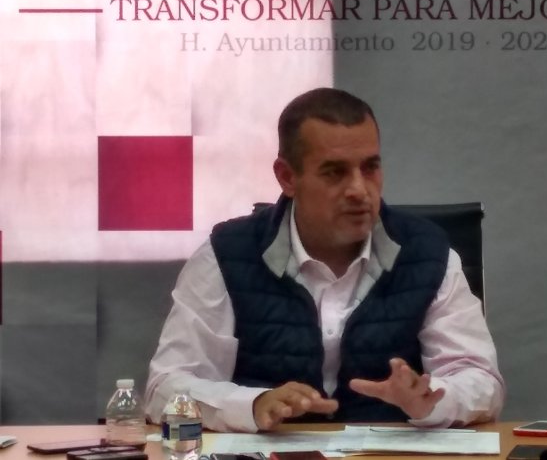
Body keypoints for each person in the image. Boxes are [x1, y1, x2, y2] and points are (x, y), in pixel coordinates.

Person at [144, 87, 505, 432]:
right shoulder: (227, 255)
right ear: (287, 177)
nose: (359, 190)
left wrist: (431, 401)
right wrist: (252, 404)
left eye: (370, 168)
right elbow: (165, 388)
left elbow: (482, 381)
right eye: (335, 172)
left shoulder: (427, 253)